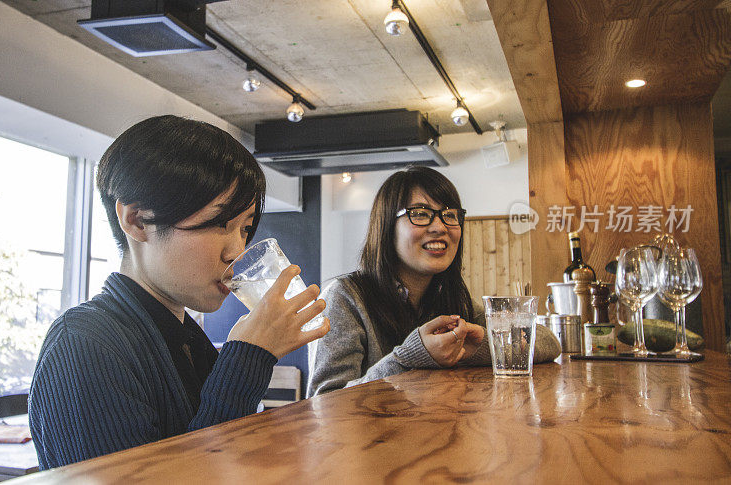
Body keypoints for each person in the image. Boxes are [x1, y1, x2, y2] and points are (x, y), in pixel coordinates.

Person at [29, 116, 329, 469]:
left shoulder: (184, 336)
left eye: (245, 229)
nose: (237, 251)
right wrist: (248, 358)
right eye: (221, 224)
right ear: (138, 221)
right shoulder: (84, 344)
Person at [307, 166, 560, 396]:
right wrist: (410, 357)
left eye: (449, 215)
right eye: (420, 213)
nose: (440, 226)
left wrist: (482, 342)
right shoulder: (345, 298)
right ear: (385, 226)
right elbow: (324, 404)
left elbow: (549, 343)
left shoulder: (449, 298)